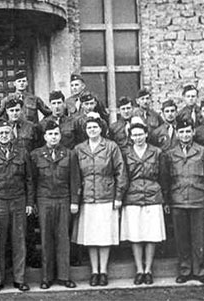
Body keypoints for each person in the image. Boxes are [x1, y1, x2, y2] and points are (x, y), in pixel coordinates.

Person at [0, 119, 34, 293]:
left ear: (11, 133)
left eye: (6, 132)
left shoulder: (22, 152)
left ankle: (20, 278)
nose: (4, 135)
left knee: (19, 241)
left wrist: (30, 203)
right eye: (0, 133)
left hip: (18, 201)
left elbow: (29, 180)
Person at [72, 116, 127, 287]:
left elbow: (121, 172)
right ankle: (94, 271)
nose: (92, 130)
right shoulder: (79, 149)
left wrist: (118, 196)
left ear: (101, 128)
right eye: (89, 128)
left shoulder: (111, 146)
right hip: (87, 198)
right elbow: (75, 176)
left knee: (104, 236)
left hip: (106, 197)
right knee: (91, 236)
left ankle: (103, 271)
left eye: (95, 127)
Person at [166, 118, 204, 284]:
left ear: (193, 132)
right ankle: (185, 270)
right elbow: (166, 179)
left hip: (198, 200)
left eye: (188, 131)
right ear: (177, 133)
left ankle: (200, 271)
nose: (185, 134)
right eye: (181, 132)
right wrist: (167, 201)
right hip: (178, 201)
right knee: (182, 239)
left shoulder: (203, 152)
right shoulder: (170, 154)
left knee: (199, 238)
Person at [30, 121, 80, 289]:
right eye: (50, 134)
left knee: (63, 238)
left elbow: (74, 179)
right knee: (46, 238)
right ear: (45, 137)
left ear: (60, 136)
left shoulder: (69, 154)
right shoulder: (36, 155)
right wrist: (33, 203)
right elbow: (32, 181)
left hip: (63, 199)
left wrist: (74, 201)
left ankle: (64, 276)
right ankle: (47, 277)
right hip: (44, 200)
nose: (53, 137)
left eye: (56, 134)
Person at [120, 123, 168, 285]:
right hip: (132, 196)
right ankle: (139, 269)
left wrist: (164, 198)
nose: (138, 138)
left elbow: (163, 176)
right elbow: (123, 176)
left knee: (151, 234)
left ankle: (148, 269)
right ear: (130, 137)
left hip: (153, 195)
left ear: (146, 134)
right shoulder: (125, 153)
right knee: (136, 234)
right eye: (134, 135)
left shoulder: (157, 152)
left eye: (140, 134)